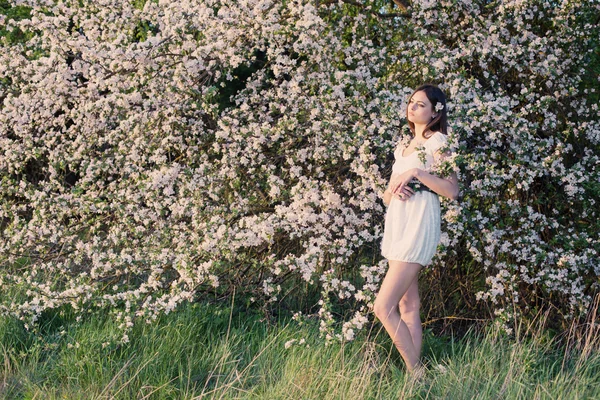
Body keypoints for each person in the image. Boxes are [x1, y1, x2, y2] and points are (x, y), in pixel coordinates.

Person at [374, 84, 459, 376]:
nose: (412, 107)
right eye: (411, 102)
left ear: (436, 112)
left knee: (382, 307)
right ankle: (414, 380)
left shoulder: (439, 142)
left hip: (419, 223)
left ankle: (417, 372)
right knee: (408, 305)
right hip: (398, 221)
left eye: (421, 104)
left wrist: (418, 173)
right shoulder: (403, 146)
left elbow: (451, 190)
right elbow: (387, 194)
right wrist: (395, 190)